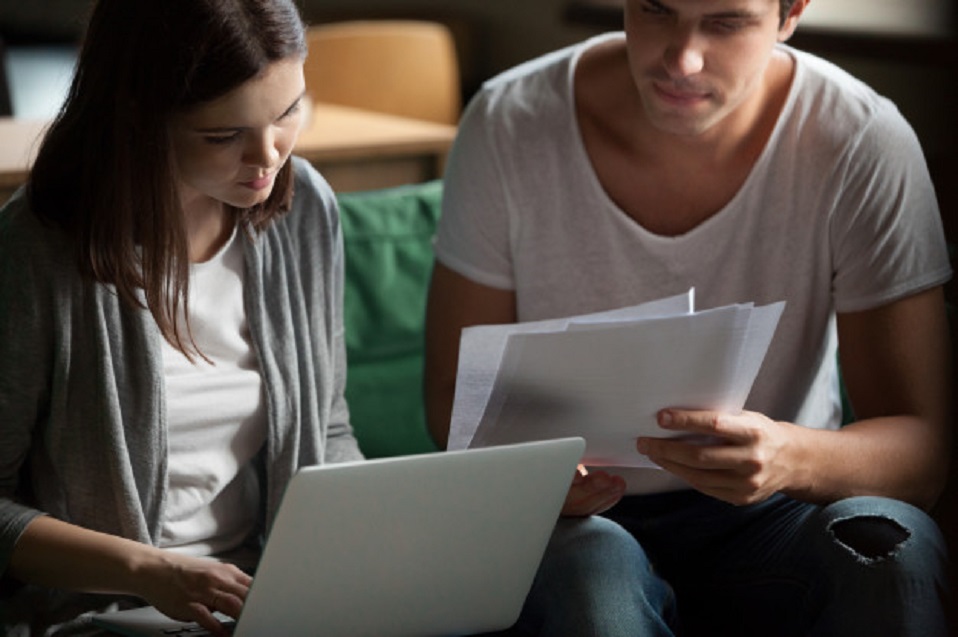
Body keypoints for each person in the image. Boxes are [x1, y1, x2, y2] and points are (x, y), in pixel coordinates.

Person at [424, 0, 953, 635]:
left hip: (777, 514)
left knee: (892, 545)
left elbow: (923, 453)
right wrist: (528, 481)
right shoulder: (508, 121)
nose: (683, 59)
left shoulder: (861, 139)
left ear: (791, 14)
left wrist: (788, 457)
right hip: (573, 521)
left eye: (726, 22)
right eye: (655, 10)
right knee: (594, 574)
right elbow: (452, 400)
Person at [0, 0, 364, 634]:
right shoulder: (37, 249)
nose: (269, 157)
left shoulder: (305, 209)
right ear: (138, 118)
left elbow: (328, 430)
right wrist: (149, 571)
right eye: (224, 135)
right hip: (106, 612)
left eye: (288, 112)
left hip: (274, 594)